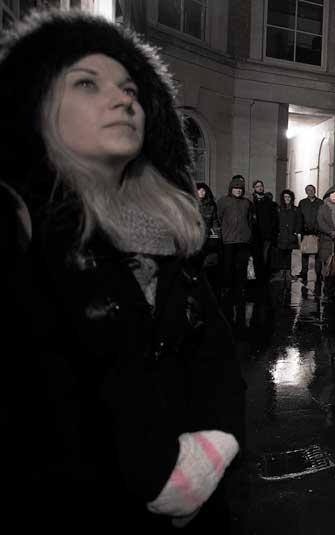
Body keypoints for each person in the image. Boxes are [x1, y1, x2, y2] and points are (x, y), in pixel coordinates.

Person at [0, 10, 245, 531]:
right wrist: (151, 474)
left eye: (131, 89)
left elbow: (217, 359)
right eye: (86, 83)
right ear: (38, 105)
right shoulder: (21, 226)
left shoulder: (167, 232)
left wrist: (211, 454)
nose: (123, 99)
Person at [216, 175, 254, 316]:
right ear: (231, 189)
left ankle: (241, 288)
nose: (238, 190)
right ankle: (227, 288)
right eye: (236, 188)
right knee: (228, 266)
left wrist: (249, 235)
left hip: (243, 240)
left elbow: (250, 220)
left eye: (240, 189)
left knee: (242, 265)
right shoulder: (223, 201)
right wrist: (222, 234)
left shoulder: (246, 203)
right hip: (228, 240)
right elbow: (218, 218)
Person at [195, 182, 222, 295]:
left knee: (208, 273)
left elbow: (215, 224)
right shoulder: (190, 205)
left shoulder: (211, 206)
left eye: (203, 190)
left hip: (207, 243)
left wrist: (216, 238)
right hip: (193, 242)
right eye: (199, 190)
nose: (201, 192)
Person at [250, 179, 279, 281]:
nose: (260, 188)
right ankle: (257, 275)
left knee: (265, 256)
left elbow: (273, 217)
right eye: (257, 186)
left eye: (261, 186)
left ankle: (264, 275)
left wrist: (272, 230)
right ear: (254, 188)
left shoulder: (268, 201)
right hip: (255, 234)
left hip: (267, 233)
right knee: (256, 255)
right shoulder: (251, 200)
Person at [296, 184, 323, 283]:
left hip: (317, 232)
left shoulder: (320, 203)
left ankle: (318, 273)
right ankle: (304, 272)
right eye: (308, 190)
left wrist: (319, 228)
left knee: (317, 253)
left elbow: (322, 216)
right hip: (305, 231)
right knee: (305, 252)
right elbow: (299, 217)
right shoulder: (302, 203)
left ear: (315, 191)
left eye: (312, 190)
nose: (310, 191)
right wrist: (299, 230)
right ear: (306, 191)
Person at [276, 189, 302, 281]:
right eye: (285, 197)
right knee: (281, 255)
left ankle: (289, 273)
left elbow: (299, 222)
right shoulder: (278, 209)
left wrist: (296, 232)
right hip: (282, 236)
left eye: (288, 197)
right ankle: (282, 273)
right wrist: (277, 233)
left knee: (290, 256)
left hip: (291, 236)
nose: (287, 198)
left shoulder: (295, 209)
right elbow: (275, 222)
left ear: (291, 198)